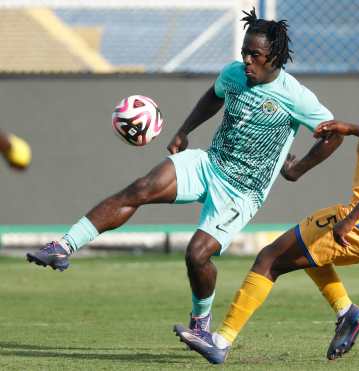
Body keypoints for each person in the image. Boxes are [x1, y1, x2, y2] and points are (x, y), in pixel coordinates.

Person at [26, 8, 341, 334]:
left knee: (197, 255)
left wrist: (298, 169)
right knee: (140, 188)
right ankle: (63, 247)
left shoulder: (296, 96)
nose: (247, 60)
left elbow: (334, 134)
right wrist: (184, 130)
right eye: (245, 52)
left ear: (273, 56)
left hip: (241, 192)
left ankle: (201, 322)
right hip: (208, 164)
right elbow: (214, 96)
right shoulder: (235, 74)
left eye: (255, 55)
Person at [174, 43, 359, 364]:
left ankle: (220, 341)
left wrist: (350, 221)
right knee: (304, 245)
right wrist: (349, 128)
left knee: (269, 259)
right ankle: (347, 312)